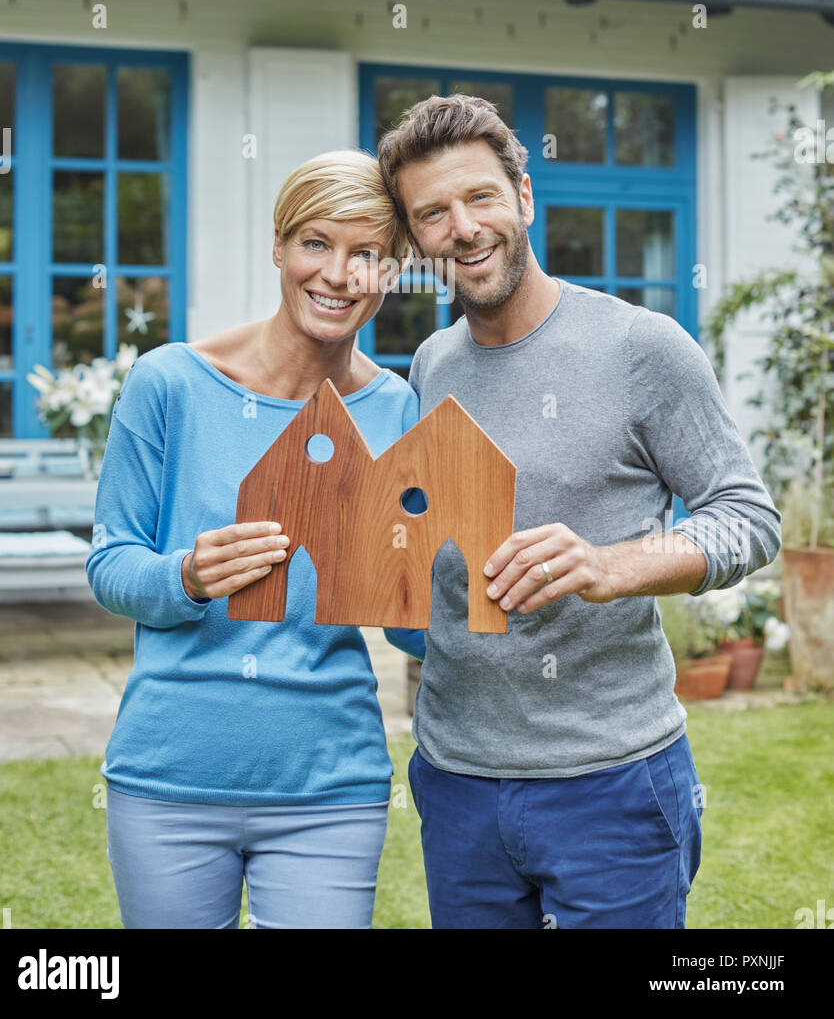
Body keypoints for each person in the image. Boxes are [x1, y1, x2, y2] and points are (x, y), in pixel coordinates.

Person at [377, 94, 782, 930]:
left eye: (480, 197)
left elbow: (748, 515)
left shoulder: (643, 347)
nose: (464, 227)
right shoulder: (431, 364)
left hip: (613, 779)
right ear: (417, 239)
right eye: (434, 213)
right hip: (456, 779)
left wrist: (609, 565)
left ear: (524, 197)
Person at [87, 150, 425, 930]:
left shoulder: (394, 410)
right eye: (316, 243)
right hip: (169, 777)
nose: (339, 275)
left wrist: (467, 592)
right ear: (278, 246)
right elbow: (111, 561)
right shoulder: (169, 382)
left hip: (329, 787)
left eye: (367, 254)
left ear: (393, 272)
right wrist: (187, 577)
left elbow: (408, 619)